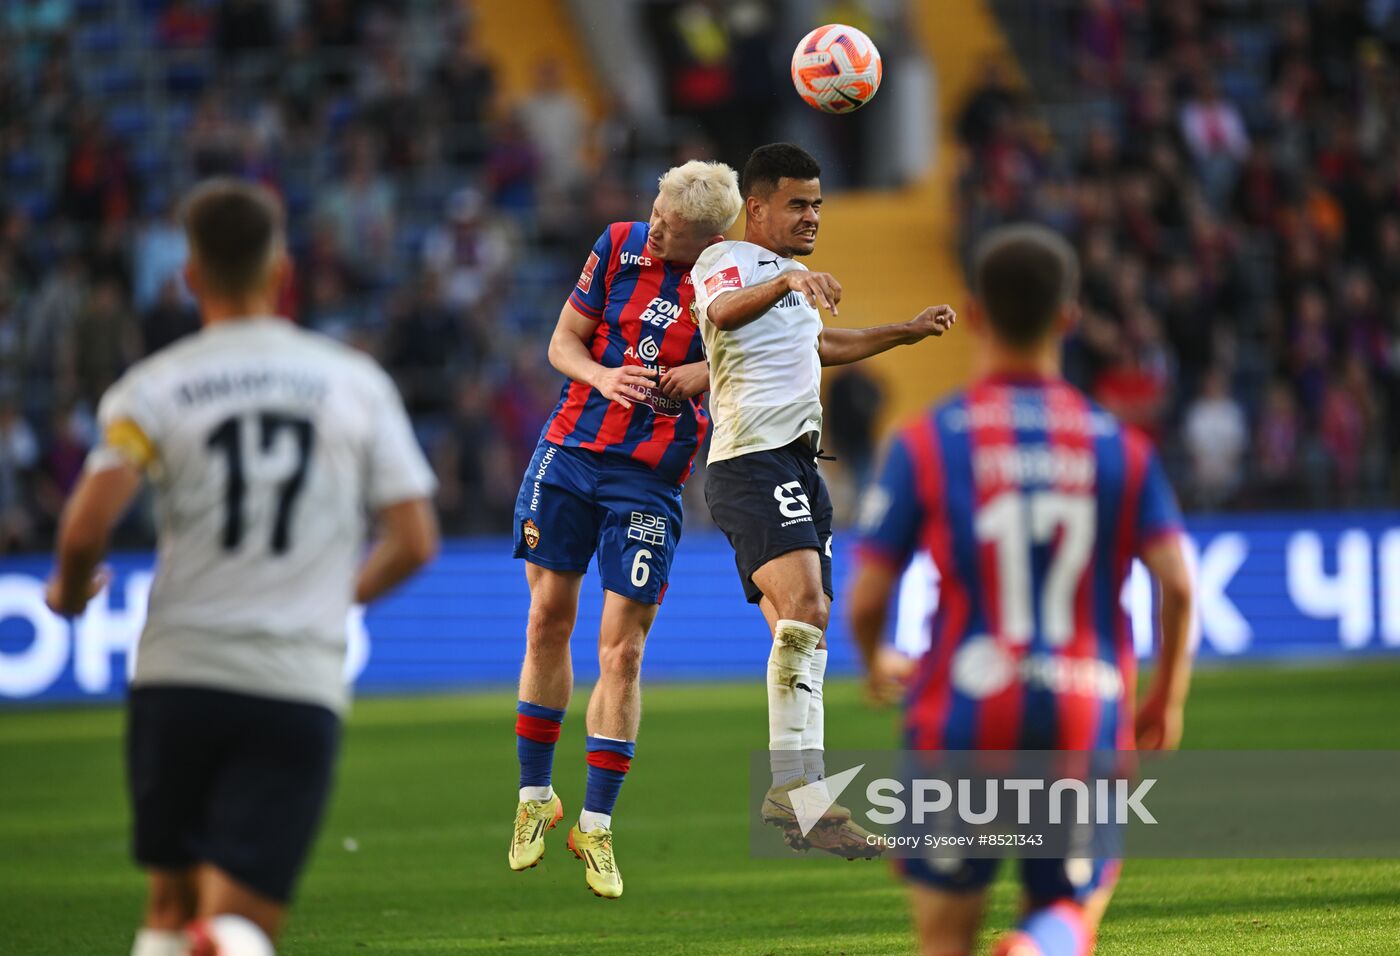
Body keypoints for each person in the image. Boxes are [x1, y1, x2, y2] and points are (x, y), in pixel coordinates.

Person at [45, 179, 440, 956]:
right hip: (291, 680)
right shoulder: (353, 383)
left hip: (177, 671)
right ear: (280, 269)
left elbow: (87, 522)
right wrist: (337, 599)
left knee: (167, 900)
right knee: (239, 919)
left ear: (191, 276)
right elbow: (415, 538)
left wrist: (66, 592)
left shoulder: (152, 388)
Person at [846, 224, 1195, 956]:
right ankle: (1037, 948)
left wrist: (877, 658)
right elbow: (1179, 587)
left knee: (945, 939)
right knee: (1071, 910)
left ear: (973, 314)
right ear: (1068, 318)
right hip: (1082, 704)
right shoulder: (1118, 446)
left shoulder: (928, 440)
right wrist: (1167, 696)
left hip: (963, 710)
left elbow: (870, 594)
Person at [690, 142, 956, 857]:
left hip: (801, 464)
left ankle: (809, 803)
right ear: (757, 206)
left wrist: (904, 331)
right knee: (805, 612)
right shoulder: (728, 263)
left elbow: (820, 346)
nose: (812, 216)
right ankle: (794, 791)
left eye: (817, 204)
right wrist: (785, 286)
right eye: (798, 203)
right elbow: (722, 313)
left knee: (805, 630)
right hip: (751, 459)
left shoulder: (793, 280)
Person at [507, 160, 742, 899]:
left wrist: (708, 373)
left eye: (669, 222)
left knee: (625, 651)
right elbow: (562, 343)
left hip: (650, 478)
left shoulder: (735, 284)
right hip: (571, 453)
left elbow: (772, 364)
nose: (655, 223)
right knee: (548, 618)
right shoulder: (618, 245)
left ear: (708, 239)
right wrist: (603, 377)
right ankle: (534, 799)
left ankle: (597, 826)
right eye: (657, 210)